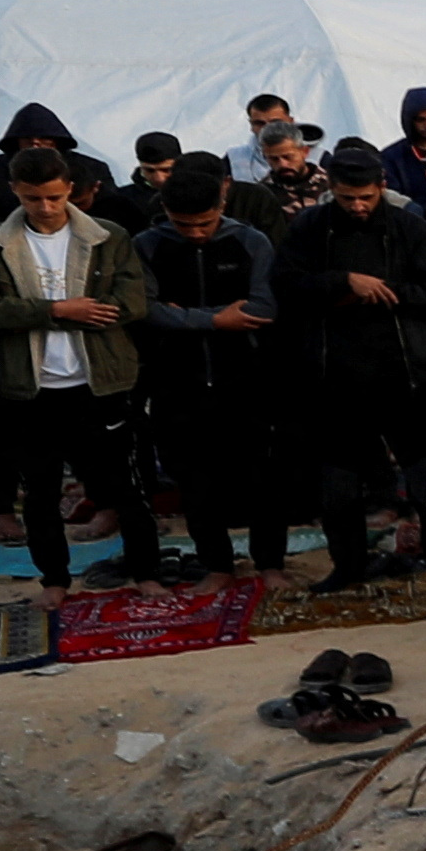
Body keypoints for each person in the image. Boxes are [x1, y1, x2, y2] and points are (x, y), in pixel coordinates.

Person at [0, 145, 162, 590]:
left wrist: (65, 310)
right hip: (31, 384)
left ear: (70, 188)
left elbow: (132, 302)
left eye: (54, 197)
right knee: (41, 492)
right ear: (15, 191)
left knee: (125, 487)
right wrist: (59, 310)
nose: (46, 207)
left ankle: (146, 572)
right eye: (33, 198)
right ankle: (54, 580)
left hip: (102, 380)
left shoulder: (108, 236)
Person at [277, 143, 426, 585]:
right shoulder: (311, 228)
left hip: (406, 376)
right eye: (346, 198)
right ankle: (348, 567)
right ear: (331, 190)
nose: (356, 207)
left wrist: (384, 292)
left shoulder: (410, 228)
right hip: (335, 379)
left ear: (382, 188)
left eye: (365, 198)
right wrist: (343, 282)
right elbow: (285, 285)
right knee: (338, 489)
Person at [135, 161, 284, 581]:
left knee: (261, 477)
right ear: (164, 209)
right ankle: (216, 564)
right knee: (194, 480)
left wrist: (183, 316)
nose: (197, 233)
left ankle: (270, 563)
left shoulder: (250, 242)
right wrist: (216, 321)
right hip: (176, 380)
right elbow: (145, 310)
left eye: (205, 223)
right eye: (184, 225)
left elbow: (264, 307)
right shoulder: (147, 245)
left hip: (246, 376)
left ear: (222, 203)